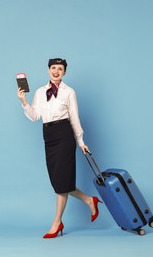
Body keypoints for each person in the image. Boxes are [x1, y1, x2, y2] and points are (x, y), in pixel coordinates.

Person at [16, 58, 102, 239]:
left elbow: (75, 118)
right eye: (53, 68)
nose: (56, 71)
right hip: (48, 136)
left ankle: (57, 223)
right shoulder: (40, 92)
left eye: (60, 69)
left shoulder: (69, 92)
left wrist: (80, 141)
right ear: (48, 70)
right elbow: (35, 116)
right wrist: (24, 101)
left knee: (61, 183)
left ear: (64, 72)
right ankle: (89, 200)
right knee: (59, 181)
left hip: (64, 135)